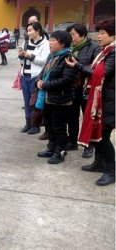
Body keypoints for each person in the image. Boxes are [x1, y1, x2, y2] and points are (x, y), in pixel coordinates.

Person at [65, 18, 115, 186]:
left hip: (108, 101)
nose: (99, 36)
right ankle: (99, 163)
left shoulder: (113, 53)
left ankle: (111, 171)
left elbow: (100, 74)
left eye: (102, 33)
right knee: (97, 136)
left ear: (113, 35)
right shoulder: (105, 51)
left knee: (104, 137)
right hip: (99, 98)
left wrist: (77, 66)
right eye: (98, 33)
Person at [36, 30, 77, 164]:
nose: (50, 42)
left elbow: (67, 80)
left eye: (54, 40)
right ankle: (51, 148)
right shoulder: (52, 56)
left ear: (63, 43)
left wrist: (45, 85)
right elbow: (43, 72)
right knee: (50, 125)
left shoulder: (68, 58)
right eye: (51, 39)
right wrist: (39, 80)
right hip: (49, 98)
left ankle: (59, 152)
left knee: (59, 127)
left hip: (61, 99)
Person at [64, 23, 101, 158]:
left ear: (83, 34)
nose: (71, 37)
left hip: (87, 88)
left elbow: (95, 71)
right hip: (72, 87)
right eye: (70, 35)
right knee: (72, 115)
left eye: (73, 34)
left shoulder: (94, 48)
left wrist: (77, 65)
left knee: (87, 116)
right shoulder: (69, 48)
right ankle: (73, 141)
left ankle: (88, 145)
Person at [18, 22, 50, 134]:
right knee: (26, 102)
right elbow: (21, 61)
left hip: (36, 77)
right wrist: (21, 56)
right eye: (27, 30)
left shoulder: (45, 44)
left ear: (38, 30)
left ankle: (35, 125)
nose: (28, 33)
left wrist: (30, 56)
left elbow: (44, 61)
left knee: (35, 102)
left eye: (30, 30)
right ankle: (28, 123)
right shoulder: (25, 43)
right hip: (25, 75)